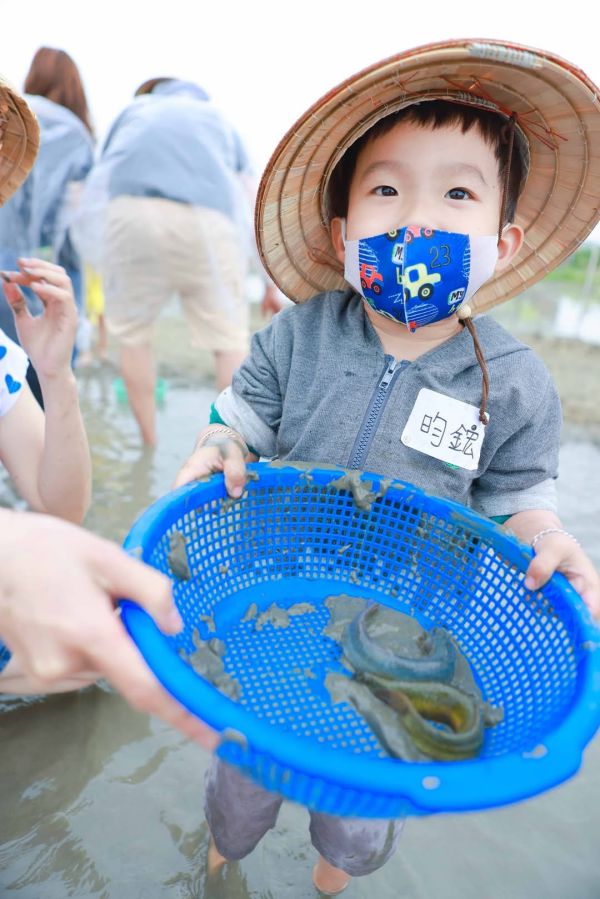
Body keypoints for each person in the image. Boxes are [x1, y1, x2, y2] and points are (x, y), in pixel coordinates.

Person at [172, 39, 600, 894]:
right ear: (342, 233)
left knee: (358, 822)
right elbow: (236, 425)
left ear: (501, 241)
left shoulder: (511, 382)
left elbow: (521, 502)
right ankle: (219, 870)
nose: (417, 219)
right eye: (385, 189)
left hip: (410, 644)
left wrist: (554, 539)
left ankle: (331, 882)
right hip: (271, 613)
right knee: (240, 797)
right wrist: (216, 446)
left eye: (456, 193)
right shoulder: (299, 336)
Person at [73, 77, 280, 446]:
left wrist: (93, 253)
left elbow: (98, 181)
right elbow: (252, 198)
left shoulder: (134, 111)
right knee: (227, 339)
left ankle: (149, 443)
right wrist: (268, 282)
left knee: (134, 338)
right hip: (207, 222)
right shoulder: (216, 118)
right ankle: (236, 446)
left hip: (130, 215)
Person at [0, 48, 95, 398]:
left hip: (2, 264)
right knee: (45, 389)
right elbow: (75, 230)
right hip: (43, 274)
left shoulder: (11, 119)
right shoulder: (77, 135)